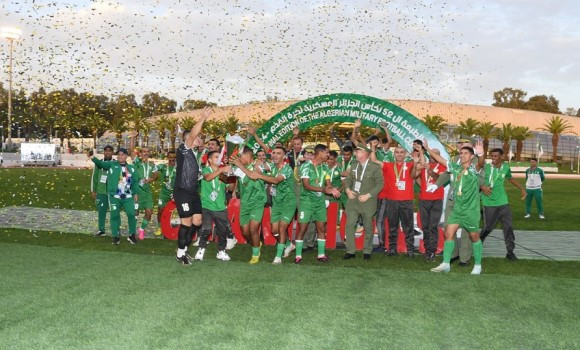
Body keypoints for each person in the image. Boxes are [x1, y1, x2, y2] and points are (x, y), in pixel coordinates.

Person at [426, 139, 486, 275]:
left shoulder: (474, 168)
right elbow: (441, 160)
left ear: (472, 156)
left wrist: (481, 154)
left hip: (470, 210)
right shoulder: (456, 167)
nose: (462, 155)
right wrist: (427, 148)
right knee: (448, 233)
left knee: (474, 236)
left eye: (465, 153)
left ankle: (477, 265)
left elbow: (481, 164)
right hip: (457, 209)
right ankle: (446, 263)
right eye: (461, 153)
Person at [173, 106, 213, 265]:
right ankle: (180, 252)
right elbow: (193, 134)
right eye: (195, 137)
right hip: (182, 191)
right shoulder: (184, 148)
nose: (198, 138)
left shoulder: (195, 154)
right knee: (187, 222)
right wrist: (202, 118)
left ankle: (183, 249)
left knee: (197, 221)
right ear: (188, 139)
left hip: (192, 192)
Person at [294, 144, 341, 264]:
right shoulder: (306, 166)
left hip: (319, 202)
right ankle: (298, 255)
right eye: (327, 153)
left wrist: (333, 189)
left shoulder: (325, 168)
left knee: (321, 228)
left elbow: (327, 183)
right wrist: (323, 190)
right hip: (307, 202)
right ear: (320, 153)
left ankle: (321, 254)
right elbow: (306, 185)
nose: (328, 155)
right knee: (302, 229)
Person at [479, 148, 527, 261]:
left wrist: (522, 188)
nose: (493, 158)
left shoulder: (505, 167)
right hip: (488, 202)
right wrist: (482, 187)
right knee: (488, 227)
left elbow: (510, 178)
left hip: (503, 202)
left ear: (501, 157)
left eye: (496, 156)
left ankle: (510, 252)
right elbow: (475, 178)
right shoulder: (485, 167)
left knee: (508, 226)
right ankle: (479, 240)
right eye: (492, 156)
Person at [371, 144, 417, 257]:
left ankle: (410, 250)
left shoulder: (411, 165)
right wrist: (372, 147)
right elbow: (373, 159)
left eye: (402, 152)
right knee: (392, 226)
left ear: (405, 154)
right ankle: (392, 249)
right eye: (397, 152)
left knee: (408, 226)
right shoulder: (388, 166)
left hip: (406, 200)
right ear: (394, 154)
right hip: (392, 201)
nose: (399, 154)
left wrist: (417, 157)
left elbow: (419, 169)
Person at [251, 146, 296, 264]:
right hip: (276, 203)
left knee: (282, 228)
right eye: (273, 153)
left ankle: (278, 256)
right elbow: (258, 169)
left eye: (278, 153)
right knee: (274, 230)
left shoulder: (287, 169)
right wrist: (256, 163)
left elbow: (276, 180)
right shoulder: (271, 166)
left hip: (288, 203)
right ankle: (288, 244)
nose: (275, 155)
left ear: (284, 156)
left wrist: (259, 176)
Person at [90, 148, 140, 245]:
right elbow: (101, 164)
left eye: (122, 154)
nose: (120, 156)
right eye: (118, 155)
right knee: (115, 215)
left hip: (128, 196)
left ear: (126, 156)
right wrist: (93, 157)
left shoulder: (131, 168)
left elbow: (135, 182)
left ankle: (132, 235)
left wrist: (135, 193)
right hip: (114, 196)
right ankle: (115, 236)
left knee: (131, 214)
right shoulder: (112, 165)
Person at [342, 144, 384, 260]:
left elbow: (380, 184)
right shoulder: (354, 165)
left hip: (368, 202)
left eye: (359, 151)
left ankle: (367, 251)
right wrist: (348, 190)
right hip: (353, 200)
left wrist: (369, 195)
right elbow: (348, 180)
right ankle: (350, 251)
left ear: (366, 153)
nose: (356, 153)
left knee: (368, 227)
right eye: (356, 151)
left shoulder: (375, 167)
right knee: (350, 225)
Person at [230, 147, 267, 264]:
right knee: (245, 232)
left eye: (241, 156)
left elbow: (252, 175)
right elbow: (227, 174)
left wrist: (239, 165)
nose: (239, 159)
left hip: (258, 201)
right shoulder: (239, 166)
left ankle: (255, 255)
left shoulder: (258, 164)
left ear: (247, 156)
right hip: (245, 202)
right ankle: (257, 244)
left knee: (253, 228)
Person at [194, 150, 233, 261]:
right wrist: (222, 169)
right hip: (206, 206)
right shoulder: (205, 170)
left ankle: (221, 251)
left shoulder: (223, 173)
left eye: (219, 157)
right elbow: (208, 178)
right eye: (216, 157)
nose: (218, 158)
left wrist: (231, 175)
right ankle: (201, 249)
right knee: (206, 229)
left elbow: (229, 188)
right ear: (209, 160)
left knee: (222, 231)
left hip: (220, 206)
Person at [416, 147, 446, 262]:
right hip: (424, 199)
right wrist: (422, 186)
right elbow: (415, 176)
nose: (433, 157)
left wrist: (430, 171)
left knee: (433, 226)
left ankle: (432, 251)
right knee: (425, 227)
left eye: (436, 155)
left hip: (436, 200)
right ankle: (428, 250)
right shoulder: (425, 165)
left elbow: (439, 179)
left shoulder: (443, 167)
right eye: (431, 155)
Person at [91, 145, 114, 237]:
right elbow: (94, 177)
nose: (108, 152)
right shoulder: (98, 163)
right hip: (101, 191)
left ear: (112, 152)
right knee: (101, 211)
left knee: (114, 212)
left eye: (110, 151)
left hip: (113, 192)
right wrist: (93, 190)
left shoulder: (116, 164)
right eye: (106, 151)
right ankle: (101, 230)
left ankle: (115, 230)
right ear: (104, 152)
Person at [133, 147, 156, 240]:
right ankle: (132, 230)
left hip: (147, 192)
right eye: (144, 152)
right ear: (140, 153)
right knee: (135, 212)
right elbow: (131, 151)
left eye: (147, 151)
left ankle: (141, 229)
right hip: (137, 191)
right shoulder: (137, 162)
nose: (146, 153)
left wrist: (151, 179)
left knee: (149, 212)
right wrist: (132, 138)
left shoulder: (152, 164)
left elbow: (156, 174)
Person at [152, 151, 176, 236]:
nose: (172, 159)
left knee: (178, 211)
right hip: (164, 193)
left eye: (174, 157)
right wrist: (154, 176)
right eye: (170, 157)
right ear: (167, 158)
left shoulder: (179, 168)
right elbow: (154, 168)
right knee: (160, 210)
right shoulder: (163, 166)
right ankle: (159, 227)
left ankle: (176, 228)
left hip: (175, 193)